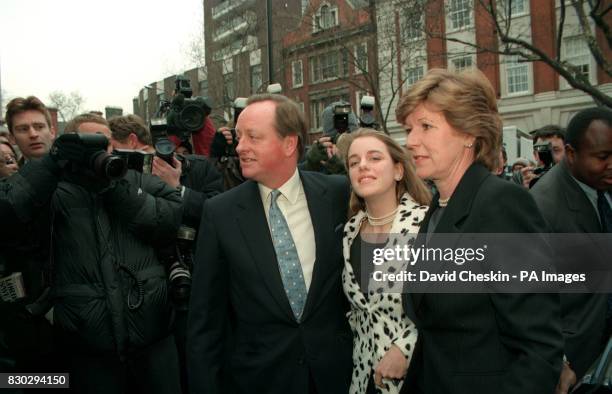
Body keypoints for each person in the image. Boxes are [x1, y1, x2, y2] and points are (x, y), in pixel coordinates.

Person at [396, 68, 564, 394]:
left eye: (426, 127)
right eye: (408, 129)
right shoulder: (439, 208)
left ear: (469, 134)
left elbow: (538, 347)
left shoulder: (501, 205)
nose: (411, 141)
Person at [2, 113, 183, 394]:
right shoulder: (53, 193)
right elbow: (10, 212)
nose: (98, 152)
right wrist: (54, 165)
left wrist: (115, 186)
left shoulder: (136, 181)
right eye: (88, 145)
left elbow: (169, 220)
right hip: (86, 350)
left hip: (153, 343)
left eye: (103, 143)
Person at [187, 93, 353, 394]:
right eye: (239, 137)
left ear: (289, 144)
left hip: (336, 376)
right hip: (258, 380)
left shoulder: (338, 194)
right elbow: (205, 323)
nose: (240, 147)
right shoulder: (220, 213)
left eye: (253, 137)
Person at [342, 129, 430, 394]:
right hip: (363, 380)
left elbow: (449, 307)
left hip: (418, 377)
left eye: (374, 158)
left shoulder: (426, 225)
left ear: (398, 171)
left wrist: (406, 348)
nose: (363, 166)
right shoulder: (349, 232)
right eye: (354, 162)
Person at [531, 107, 612, 394]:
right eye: (602, 157)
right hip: (578, 363)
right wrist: (557, 362)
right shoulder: (543, 206)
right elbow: (531, 300)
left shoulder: (603, 185)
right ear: (571, 153)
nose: (611, 164)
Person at [5, 96, 56, 164]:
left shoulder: (72, 169)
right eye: (23, 129)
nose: (33, 134)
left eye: (39, 127)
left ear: (52, 132)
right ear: (12, 138)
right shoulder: (9, 174)